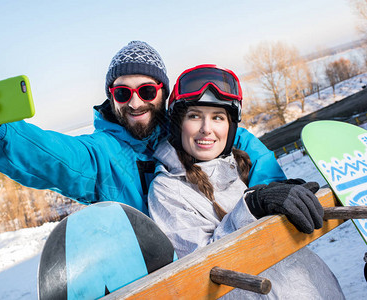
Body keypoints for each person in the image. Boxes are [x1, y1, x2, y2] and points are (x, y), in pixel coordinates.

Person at [0, 41, 286, 216]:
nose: (135, 102)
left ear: (164, 93)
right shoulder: (102, 156)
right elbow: (53, 157)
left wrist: (271, 193)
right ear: (111, 98)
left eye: (147, 90)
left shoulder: (191, 132)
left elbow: (244, 146)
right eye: (123, 93)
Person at [148, 64, 345, 299]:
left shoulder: (240, 166)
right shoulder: (166, 189)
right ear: (178, 125)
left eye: (218, 117)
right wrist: (252, 207)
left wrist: (279, 208)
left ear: (230, 128)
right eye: (194, 116)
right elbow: (199, 269)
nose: (206, 129)